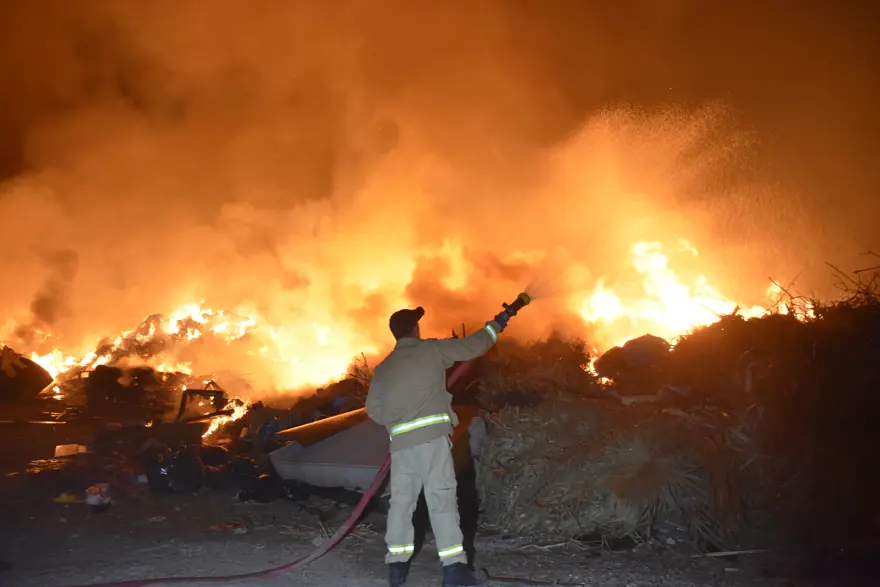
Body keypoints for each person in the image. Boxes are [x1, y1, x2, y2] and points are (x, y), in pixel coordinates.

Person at [365, 306, 510, 587]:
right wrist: (497, 324)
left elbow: (374, 409)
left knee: (401, 503)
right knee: (441, 500)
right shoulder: (430, 350)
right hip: (432, 441)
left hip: (402, 446)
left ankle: (396, 567)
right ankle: (454, 571)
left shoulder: (384, 367)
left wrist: (396, 423)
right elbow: (474, 345)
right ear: (415, 329)